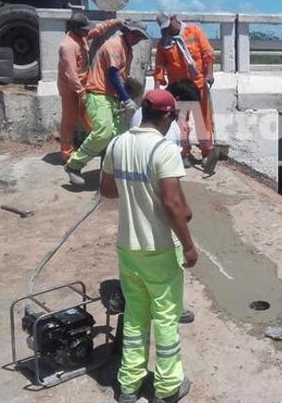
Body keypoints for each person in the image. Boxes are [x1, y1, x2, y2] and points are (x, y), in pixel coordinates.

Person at [100, 89, 197, 403]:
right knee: (166, 317)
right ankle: (168, 387)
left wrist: (134, 187)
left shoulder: (117, 143)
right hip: (158, 248)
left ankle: (129, 385)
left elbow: (107, 191)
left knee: (135, 316)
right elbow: (171, 203)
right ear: (168, 116)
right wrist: (189, 246)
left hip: (127, 247)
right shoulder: (164, 149)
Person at [65, 22, 149, 186]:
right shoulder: (115, 45)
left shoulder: (128, 49)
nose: (137, 38)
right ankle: (73, 165)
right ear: (126, 31)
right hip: (99, 93)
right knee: (103, 132)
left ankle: (107, 172)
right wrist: (126, 99)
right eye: (135, 34)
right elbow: (112, 74)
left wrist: (124, 94)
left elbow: (121, 76)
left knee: (115, 138)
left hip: (113, 97)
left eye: (140, 36)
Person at [56, 12, 123, 162]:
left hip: (84, 85)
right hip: (70, 89)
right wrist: (81, 93)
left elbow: (98, 30)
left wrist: (115, 22)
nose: (87, 31)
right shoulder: (68, 46)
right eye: (84, 29)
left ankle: (97, 146)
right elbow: (71, 74)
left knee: (92, 118)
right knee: (69, 120)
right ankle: (67, 154)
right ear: (75, 29)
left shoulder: (81, 36)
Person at [153, 12, 215, 161]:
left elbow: (208, 53)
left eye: (169, 26)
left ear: (174, 19)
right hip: (179, 88)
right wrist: (157, 90)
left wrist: (210, 73)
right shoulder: (164, 43)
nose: (167, 30)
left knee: (202, 119)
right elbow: (159, 67)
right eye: (164, 28)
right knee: (180, 120)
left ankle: (206, 151)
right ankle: (184, 152)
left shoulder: (194, 31)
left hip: (198, 84)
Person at [131, 79, 201, 169]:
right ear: (177, 100)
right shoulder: (169, 125)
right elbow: (167, 165)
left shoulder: (141, 111)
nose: (186, 113)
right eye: (187, 108)